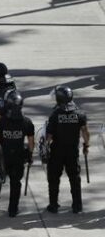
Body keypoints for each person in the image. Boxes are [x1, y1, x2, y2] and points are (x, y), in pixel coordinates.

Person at [0, 90, 34, 217]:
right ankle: (13, 209)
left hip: (2, 157)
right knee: (15, 183)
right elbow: (31, 141)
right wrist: (29, 154)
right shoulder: (27, 122)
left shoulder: (1, 122)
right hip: (18, 157)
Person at [45, 86, 89, 214]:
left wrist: (45, 148)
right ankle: (77, 205)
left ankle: (53, 205)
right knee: (74, 178)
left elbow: (49, 136)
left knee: (53, 178)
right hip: (72, 151)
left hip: (57, 152)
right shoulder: (80, 113)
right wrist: (86, 145)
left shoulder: (55, 114)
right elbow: (85, 132)